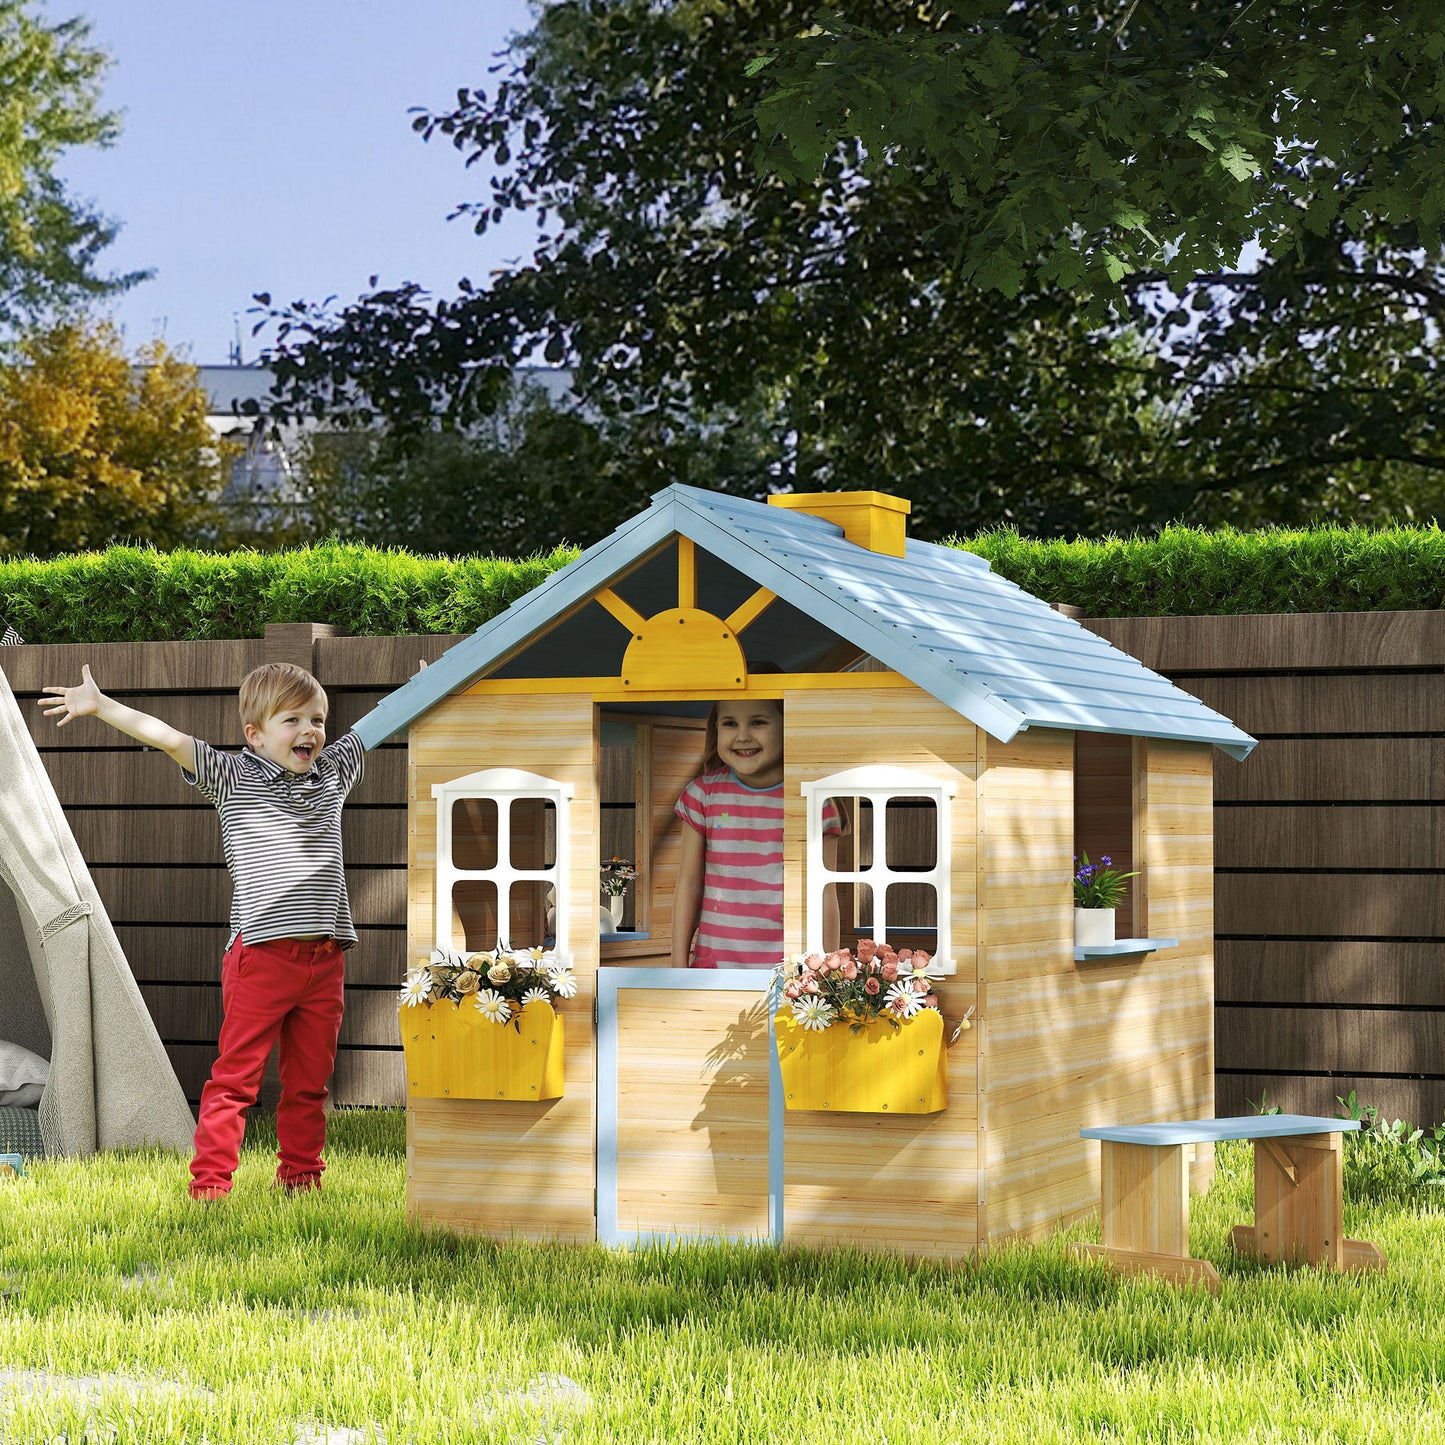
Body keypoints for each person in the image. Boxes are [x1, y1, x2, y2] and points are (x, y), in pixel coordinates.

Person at [40, 661, 366, 1200]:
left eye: (317, 719)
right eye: (293, 720)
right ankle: (211, 1184)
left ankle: (302, 1178)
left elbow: (385, 720)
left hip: (325, 957)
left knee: (309, 1084)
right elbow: (167, 738)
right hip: (261, 957)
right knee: (236, 1079)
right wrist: (100, 706)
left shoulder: (332, 771)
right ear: (254, 735)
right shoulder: (232, 774)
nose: (310, 731)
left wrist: (431, 682)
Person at [671, 698, 841, 968]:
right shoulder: (702, 794)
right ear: (716, 729)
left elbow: (824, 893)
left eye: (758, 722)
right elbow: (689, 884)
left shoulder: (814, 800)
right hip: (713, 969)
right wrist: (678, 966)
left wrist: (829, 973)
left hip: (792, 973)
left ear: (789, 725)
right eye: (730, 723)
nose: (743, 736)